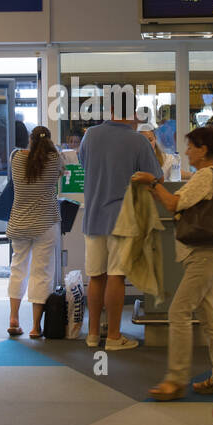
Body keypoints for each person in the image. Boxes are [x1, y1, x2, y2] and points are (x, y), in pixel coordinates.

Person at [131, 126, 213, 400]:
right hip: (207, 254)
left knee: (178, 312)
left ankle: (175, 380)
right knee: (211, 318)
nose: (186, 151)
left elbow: (174, 205)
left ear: (202, 150)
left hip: (204, 255)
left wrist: (152, 184)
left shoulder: (205, 175)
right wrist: (155, 185)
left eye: (190, 146)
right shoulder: (212, 175)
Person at [78, 104, 161, 351]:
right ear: (131, 114)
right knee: (116, 275)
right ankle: (114, 336)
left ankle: (92, 334)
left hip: (93, 216)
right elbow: (156, 176)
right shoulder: (138, 141)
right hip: (122, 218)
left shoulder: (90, 135)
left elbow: (85, 165)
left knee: (95, 276)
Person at [6, 125, 62, 338]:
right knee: (42, 273)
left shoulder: (16, 158)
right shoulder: (55, 160)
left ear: (30, 139)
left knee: (17, 268)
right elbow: (56, 177)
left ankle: (13, 318)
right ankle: (36, 327)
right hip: (46, 224)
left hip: (19, 223)